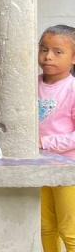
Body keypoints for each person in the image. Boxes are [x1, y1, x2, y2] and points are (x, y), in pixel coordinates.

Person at [38, 25, 75, 251]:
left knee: (70, 231)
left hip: (68, 170)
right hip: (41, 166)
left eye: (57, 52)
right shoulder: (31, 85)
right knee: (46, 227)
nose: (48, 56)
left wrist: (44, 143)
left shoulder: (72, 89)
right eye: (43, 49)